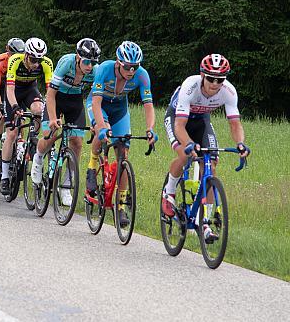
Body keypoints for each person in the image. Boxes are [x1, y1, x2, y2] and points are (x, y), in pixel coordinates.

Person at [161, 54, 250, 243]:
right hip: (178, 119)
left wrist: (240, 144)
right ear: (202, 75)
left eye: (220, 79)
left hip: (202, 121)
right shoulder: (190, 86)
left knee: (211, 164)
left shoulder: (229, 91)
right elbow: (179, 126)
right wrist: (188, 144)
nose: (215, 83)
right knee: (185, 156)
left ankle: (205, 221)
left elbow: (235, 124)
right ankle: (168, 192)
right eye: (211, 78)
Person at [85, 41, 157, 226]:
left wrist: (150, 129)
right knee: (101, 131)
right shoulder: (104, 69)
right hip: (99, 105)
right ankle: (92, 167)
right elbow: (96, 103)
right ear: (118, 62)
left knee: (123, 155)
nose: (131, 71)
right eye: (127, 67)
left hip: (119, 110)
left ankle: (121, 205)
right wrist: (101, 127)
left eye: (135, 67)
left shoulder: (142, 76)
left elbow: (148, 106)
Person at [30, 38, 101, 207]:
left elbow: (95, 98)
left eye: (92, 62)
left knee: (76, 142)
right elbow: (50, 94)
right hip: (57, 99)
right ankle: (38, 159)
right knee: (49, 135)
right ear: (78, 57)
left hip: (75, 102)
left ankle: (66, 186)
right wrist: (53, 118)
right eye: (86, 61)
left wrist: (95, 121)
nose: (89, 66)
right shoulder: (66, 63)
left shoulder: (96, 71)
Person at [0, 37, 52, 194]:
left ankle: (32, 138)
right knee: (12, 133)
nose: (36, 64)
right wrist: (15, 107)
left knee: (38, 109)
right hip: (13, 91)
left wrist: (49, 110)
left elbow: (50, 92)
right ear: (26, 55)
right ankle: (4, 176)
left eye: (39, 60)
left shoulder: (46, 63)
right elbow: (9, 89)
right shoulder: (15, 60)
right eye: (33, 59)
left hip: (30, 89)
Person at [0, 37, 25, 168]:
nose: (16, 57)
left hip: (16, 87)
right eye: (13, 54)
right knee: (1, 116)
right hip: (1, 87)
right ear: (7, 51)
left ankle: (19, 143)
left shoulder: (24, 61)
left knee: (21, 116)